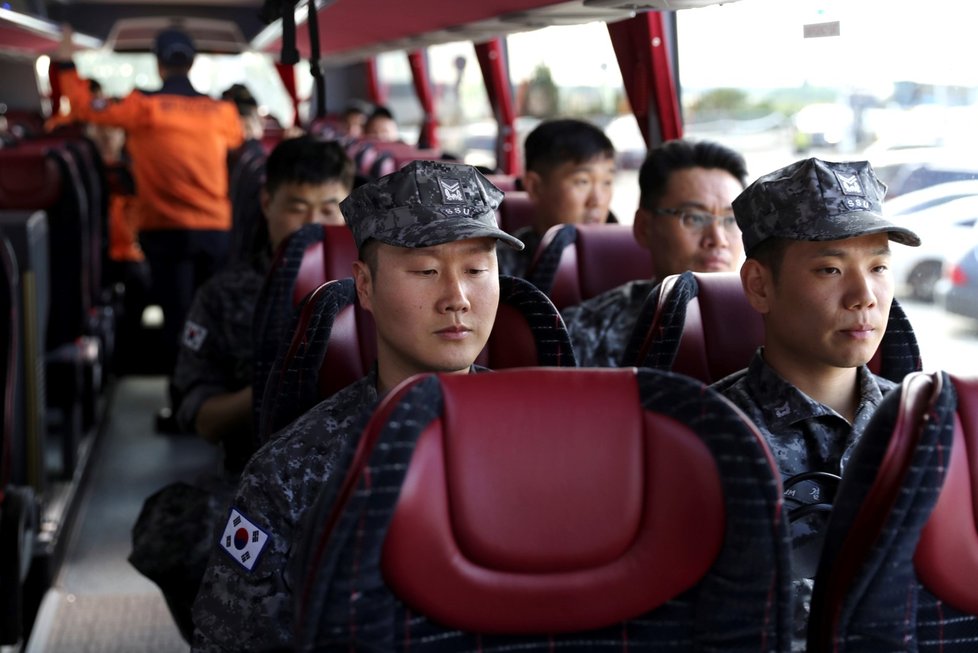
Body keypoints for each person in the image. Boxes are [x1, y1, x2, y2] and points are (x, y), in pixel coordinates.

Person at [191, 160, 523, 652]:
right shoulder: (292, 471)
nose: (456, 298)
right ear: (364, 286)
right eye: (427, 271)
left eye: (477, 269)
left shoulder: (540, 439)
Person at [129, 135, 355, 642]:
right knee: (174, 531)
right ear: (267, 203)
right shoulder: (225, 295)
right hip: (253, 471)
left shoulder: (380, 286)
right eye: (298, 208)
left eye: (329, 208)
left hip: (363, 466)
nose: (315, 225)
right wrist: (282, 383)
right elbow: (200, 415)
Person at [709, 157, 921, 650]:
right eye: (830, 268)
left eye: (878, 267)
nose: (864, 296)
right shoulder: (707, 435)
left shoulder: (928, 425)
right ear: (760, 285)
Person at [54, 26, 244, 425]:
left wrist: (68, 63)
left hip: (166, 230)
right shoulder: (221, 113)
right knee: (216, 319)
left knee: (179, 322)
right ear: (192, 63)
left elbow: (86, 108)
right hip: (216, 229)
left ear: (159, 64)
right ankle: (218, 410)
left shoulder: (143, 108)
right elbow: (236, 148)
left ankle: (182, 410)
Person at [561, 138, 749, 367]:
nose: (718, 240)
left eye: (731, 220)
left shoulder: (775, 324)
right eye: (694, 218)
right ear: (644, 228)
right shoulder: (584, 332)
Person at [496, 117, 617, 279]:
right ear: (534, 187)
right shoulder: (498, 268)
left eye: (607, 182)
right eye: (583, 182)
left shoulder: (625, 259)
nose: (598, 201)